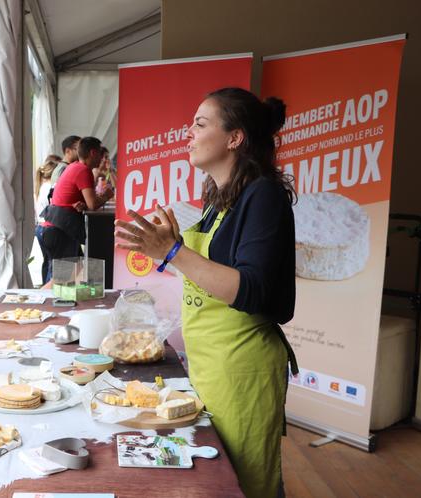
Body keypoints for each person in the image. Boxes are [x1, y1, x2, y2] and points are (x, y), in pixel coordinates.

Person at [115, 87, 298, 498]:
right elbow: (213, 274)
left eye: (201, 124)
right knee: (210, 479)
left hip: (242, 372)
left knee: (244, 484)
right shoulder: (221, 198)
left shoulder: (263, 196)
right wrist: (169, 249)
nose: (189, 134)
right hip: (209, 364)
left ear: (235, 138)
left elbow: (251, 289)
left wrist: (175, 252)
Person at [41, 136, 114, 263]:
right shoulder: (83, 170)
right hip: (59, 231)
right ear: (93, 153)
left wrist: (84, 205)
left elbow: (84, 202)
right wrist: (107, 195)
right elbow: (93, 204)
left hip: (56, 228)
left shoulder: (75, 166)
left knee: (73, 272)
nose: (102, 158)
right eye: (100, 154)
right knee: (64, 278)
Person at [34, 154, 61, 284]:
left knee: (47, 262)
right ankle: (49, 291)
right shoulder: (51, 187)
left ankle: (45, 286)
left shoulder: (41, 186)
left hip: (40, 227)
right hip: (50, 228)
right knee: (54, 265)